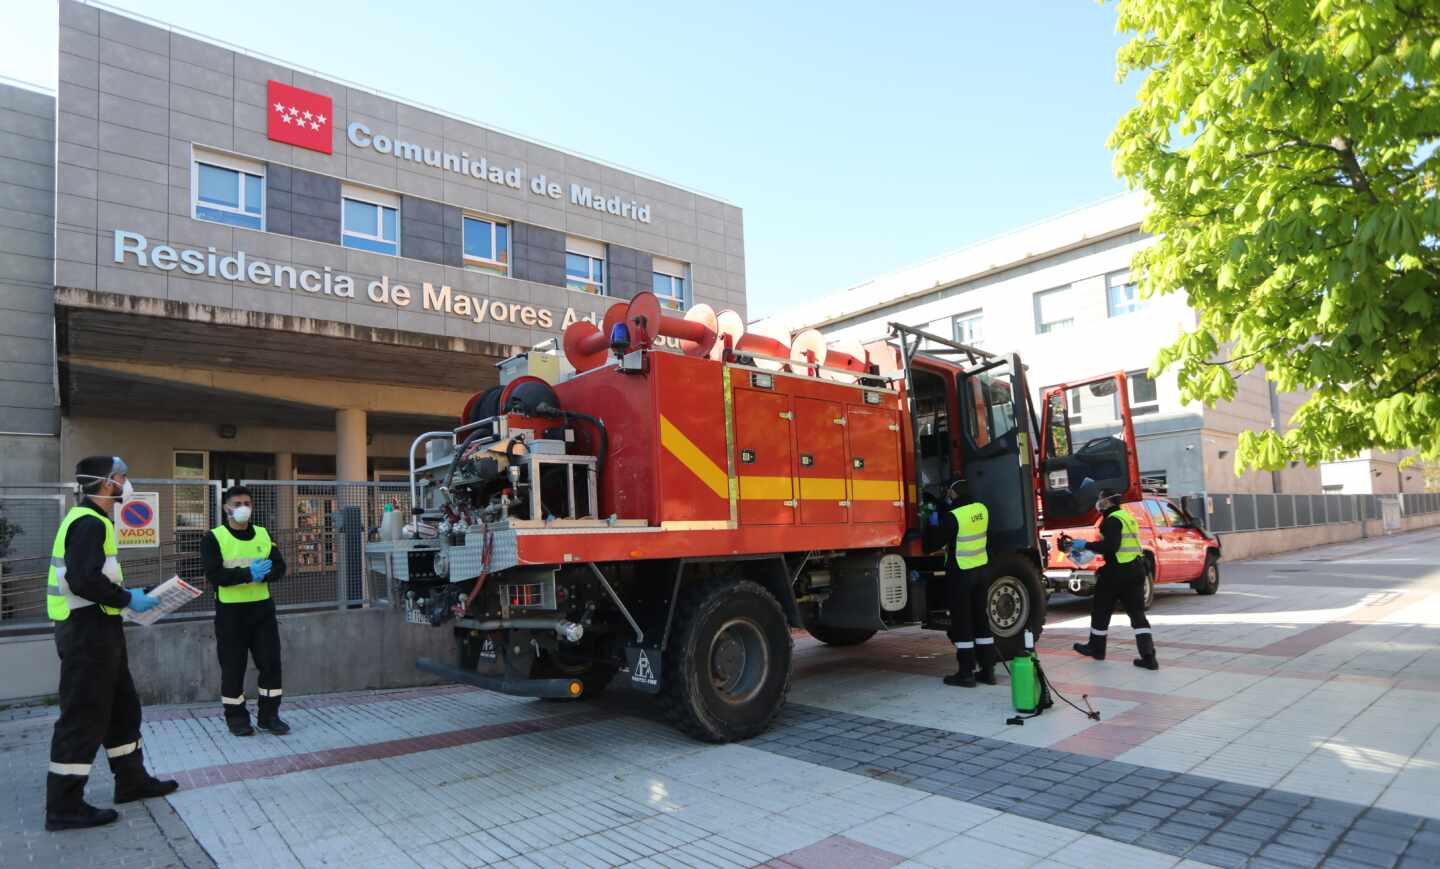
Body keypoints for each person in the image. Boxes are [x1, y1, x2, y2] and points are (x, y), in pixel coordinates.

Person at [45, 456, 179, 831]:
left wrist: (123, 598)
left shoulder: (96, 520)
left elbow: (90, 577)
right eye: (122, 476)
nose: (127, 482)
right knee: (83, 715)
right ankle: (64, 806)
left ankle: (131, 781)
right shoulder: (88, 522)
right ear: (107, 483)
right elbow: (81, 579)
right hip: (85, 631)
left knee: (122, 707)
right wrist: (127, 599)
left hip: (100, 628)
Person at [201, 485, 290, 736]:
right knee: (233, 667)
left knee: (271, 664)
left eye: (247, 504)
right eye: (238, 504)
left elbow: (280, 567)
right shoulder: (213, 537)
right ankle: (237, 720)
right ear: (226, 508)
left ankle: (269, 716)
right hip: (231, 614)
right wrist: (247, 574)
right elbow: (214, 574)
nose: (243, 509)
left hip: (262, 611)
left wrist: (267, 574)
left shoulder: (262, 534)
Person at [1064, 488, 1159, 670]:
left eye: (1100, 499)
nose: (1098, 503)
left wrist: (1086, 545)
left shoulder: (1111, 521)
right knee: (1137, 615)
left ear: (1107, 502)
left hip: (1117, 572)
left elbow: (1111, 546)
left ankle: (1097, 649)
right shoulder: (1127, 517)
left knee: (1101, 610)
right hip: (1136, 569)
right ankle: (1149, 657)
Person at [931, 478, 997, 687]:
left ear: (954, 493)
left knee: (962, 622)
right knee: (981, 620)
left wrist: (932, 524)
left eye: (949, 493)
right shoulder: (982, 509)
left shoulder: (953, 517)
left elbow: (932, 543)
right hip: (981, 571)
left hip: (961, 573)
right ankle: (988, 671)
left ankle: (966, 673)